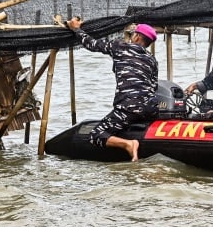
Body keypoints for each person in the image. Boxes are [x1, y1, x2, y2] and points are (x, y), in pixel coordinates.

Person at [66, 18, 159, 161]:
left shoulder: (120, 47)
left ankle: (128, 144)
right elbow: (154, 86)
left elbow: (92, 44)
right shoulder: (152, 59)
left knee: (96, 135)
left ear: (137, 36)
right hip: (150, 109)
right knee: (133, 115)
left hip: (128, 108)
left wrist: (76, 29)